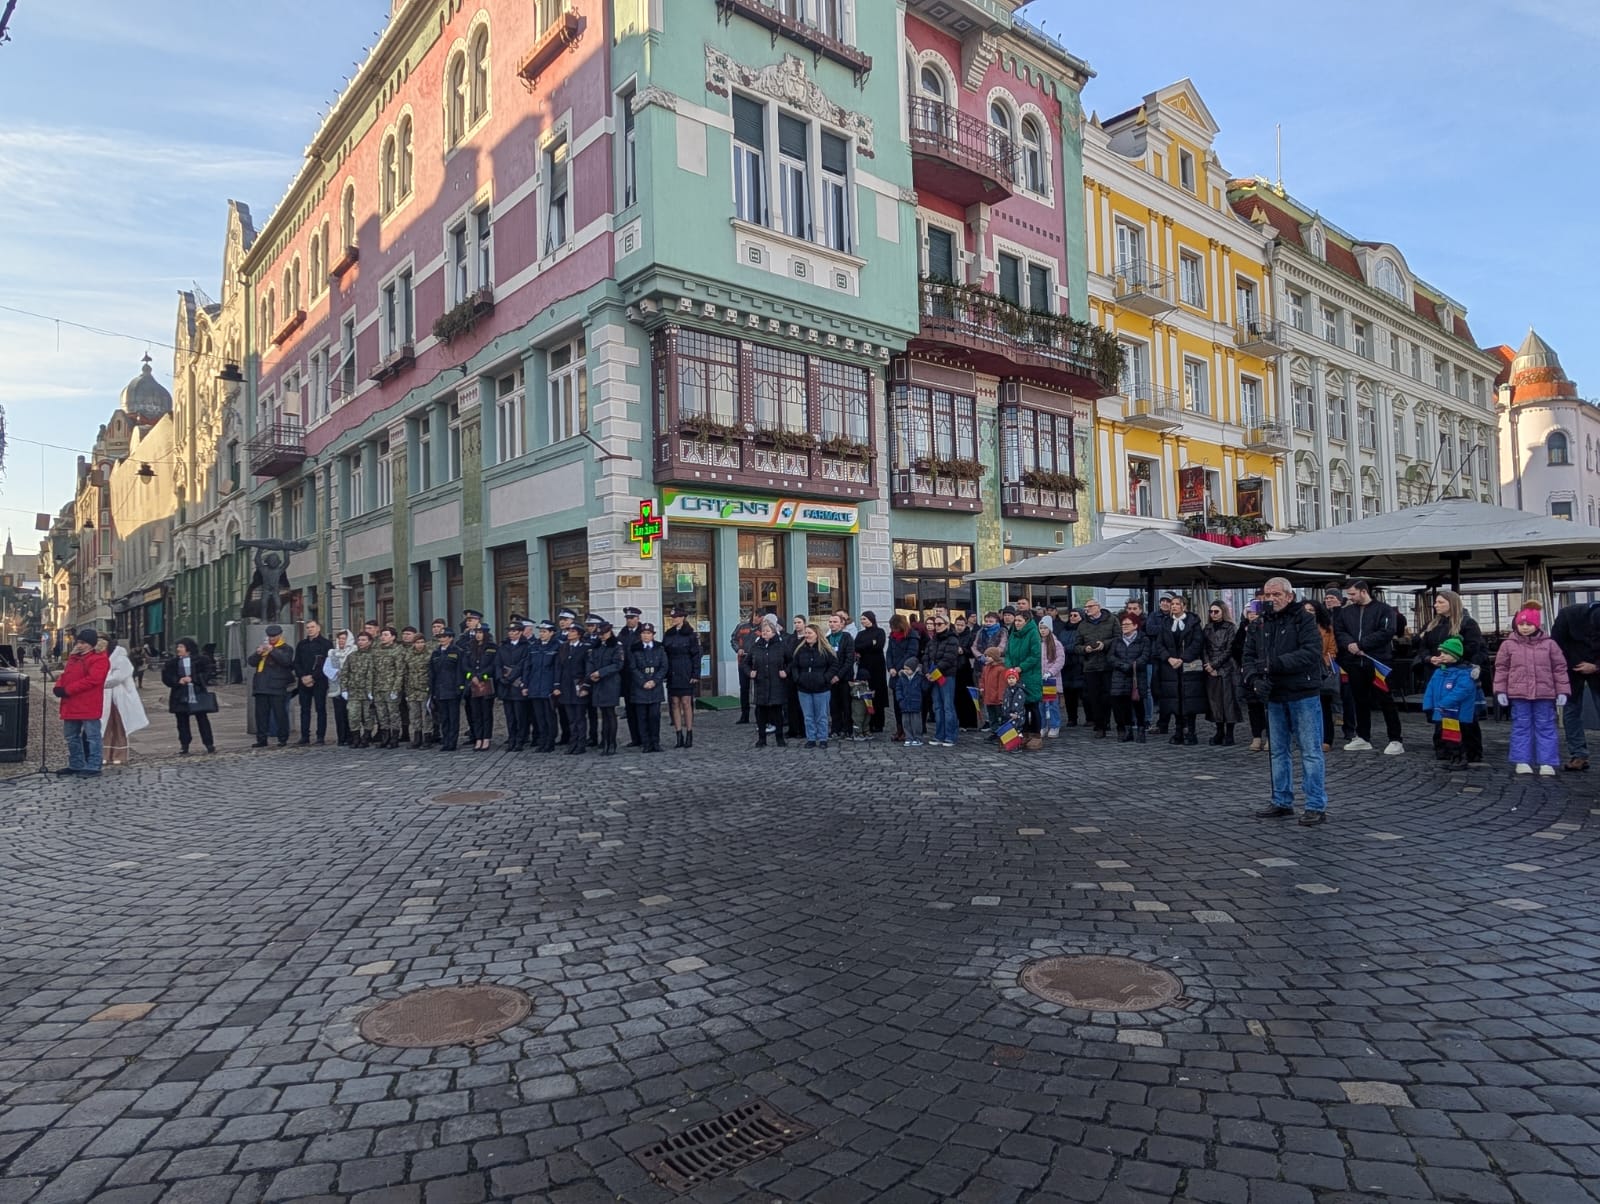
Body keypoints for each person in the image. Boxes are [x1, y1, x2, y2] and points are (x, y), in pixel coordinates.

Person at [1245, 578, 1328, 825]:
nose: (1271, 599)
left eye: (1276, 594)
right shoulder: (1259, 623)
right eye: (1267, 594)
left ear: (1289, 596)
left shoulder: (1303, 619)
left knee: (1311, 751)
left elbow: (1311, 653)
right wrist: (1254, 679)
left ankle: (1315, 805)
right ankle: (1282, 800)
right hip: (1274, 693)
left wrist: (1275, 665)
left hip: (1302, 692)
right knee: (1278, 751)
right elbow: (1248, 655)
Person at [1496, 603, 1570, 777]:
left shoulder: (1550, 645)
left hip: (1544, 694)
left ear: (1537, 625)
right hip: (1519, 693)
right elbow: (1501, 668)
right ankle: (1522, 761)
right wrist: (1500, 690)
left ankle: (1547, 762)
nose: (1524, 628)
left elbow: (1559, 668)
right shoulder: (1508, 645)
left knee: (1546, 726)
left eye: (1528, 624)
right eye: (1521, 624)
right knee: (1521, 726)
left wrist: (1562, 691)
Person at [1334, 579, 1404, 755]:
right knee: (1359, 700)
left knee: (1386, 700)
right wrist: (1349, 644)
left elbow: (1387, 631)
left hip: (1379, 661)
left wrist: (1361, 644)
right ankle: (1363, 737)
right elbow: (1339, 631)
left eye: (1352, 594)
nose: (1350, 598)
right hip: (1355, 662)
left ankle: (1395, 739)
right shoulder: (1346, 612)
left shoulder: (1384, 609)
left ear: (1363, 591)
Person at [1419, 590, 1485, 764]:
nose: (1436, 605)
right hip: (1437, 673)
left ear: (1451, 603)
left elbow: (1475, 648)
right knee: (1442, 711)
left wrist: (1456, 659)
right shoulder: (1432, 625)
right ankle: (1445, 747)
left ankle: (1470, 749)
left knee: (1464, 713)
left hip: (1460, 673)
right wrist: (1429, 658)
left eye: (1440, 602)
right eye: (1436, 602)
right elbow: (1422, 648)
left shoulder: (1467, 624)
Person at [1550, 598, 1600, 771]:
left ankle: (1578, 754)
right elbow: (1555, 647)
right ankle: (1578, 755)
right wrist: (1571, 665)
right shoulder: (1568, 616)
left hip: (1596, 667)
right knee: (1571, 711)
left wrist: (1595, 667)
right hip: (1571, 669)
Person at [1421, 636, 1483, 772]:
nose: (1441, 655)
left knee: (1459, 736)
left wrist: (1444, 703)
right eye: (1441, 652)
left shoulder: (1464, 673)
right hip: (1444, 711)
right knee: (1449, 735)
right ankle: (1454, 757)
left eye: (1445, 653)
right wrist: (1428, 704)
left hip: (1456, 712)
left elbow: (1463, 691)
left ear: (1455, 655)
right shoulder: (1439, 671)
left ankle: (1461, 757)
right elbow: (1430, 689)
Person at [54, 629, 110, 776]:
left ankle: (94, 765)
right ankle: (76, 763)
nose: (79, 645)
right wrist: (59, 686)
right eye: (78, 642)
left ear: (91, 644)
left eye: (83, 643)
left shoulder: (99, 658)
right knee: (71, 736)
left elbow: (93, 680)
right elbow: (66, 675)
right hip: (71, 703)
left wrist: (68, 690)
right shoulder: (74, 658)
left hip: (88, 703)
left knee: (92, 736)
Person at [1154, 596, 1206, 746]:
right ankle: (1177, 731)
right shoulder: (1166, 623)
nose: (1174, 606)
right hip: (1170, 667)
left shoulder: (1193, 622)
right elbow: (1159, 644)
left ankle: (1191, 732)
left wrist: (1182, 659)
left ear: (1184, 606)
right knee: (1174, 700)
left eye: (1177, 604)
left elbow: (1197, 643)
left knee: (1189, 699)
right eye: (1172, 604)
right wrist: (1168, 658)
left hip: (1188, 666)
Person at [97, 635, 148, 766]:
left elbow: (118, 677)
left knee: (120, 726)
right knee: (104, 726)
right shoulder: (98, 657)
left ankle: (120, 754)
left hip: (120, 696)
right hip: (104, 697)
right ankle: (104, 754)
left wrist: (98, 682)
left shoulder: (120, 658)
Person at [162, 637, 217, 755]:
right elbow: (166, 677)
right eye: (178, 647)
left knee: (202, 719)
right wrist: (178, 681)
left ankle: (209, 744)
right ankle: (184, 744)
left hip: (197, 692)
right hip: (180, 694)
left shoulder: (201, 660)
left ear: (188, 648)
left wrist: (195, 679)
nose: (178, 649)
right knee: (182, 722)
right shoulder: (172, 663)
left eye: (181, 647)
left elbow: (208, 672)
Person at [1202, 601, 1245, 747]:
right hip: (1211, 666)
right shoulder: (1207, 628)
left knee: (1228, 701)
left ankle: (1230, 733)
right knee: (1215, 701)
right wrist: (1208, 665)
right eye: (1211, 612)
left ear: (1223, 612)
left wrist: (1214, 664)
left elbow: (1230, 649)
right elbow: (1204, 648)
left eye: (1216, 611)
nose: (1213, 614)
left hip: (1227, 667)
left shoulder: (1230, 627)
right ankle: (1219, 731)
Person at [792, 622, 838, 749]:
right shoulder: (800, 650)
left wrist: (825, 678)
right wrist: (798, 678)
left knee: (821, 715)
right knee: (808, 716)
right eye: (806, 633)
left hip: (821, 687)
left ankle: (823, 738)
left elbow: (834, 665)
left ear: (817, 635)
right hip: (804, 687)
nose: (807, 635)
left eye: (809, 633)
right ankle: (811, 738)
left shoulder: (825, 650)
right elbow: (794, 666)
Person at [1108, 612, 1152, 743]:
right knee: (1123, 705)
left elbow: (1145, 656)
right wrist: (1121, 665)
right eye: (1123, 625)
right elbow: (1110, 657)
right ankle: (1127, 730)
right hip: (1119, 676)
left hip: (1136, 676)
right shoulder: (1117, 640)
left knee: (1138, 704)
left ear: (1135, 625)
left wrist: (1133, 665)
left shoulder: (1143, 639)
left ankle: (1141, 729)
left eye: (1127, 624)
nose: (1124, 627)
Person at [747, 615, 790, 748]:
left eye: (768, 631)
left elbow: (791, 661)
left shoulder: (781, 646)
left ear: (773, 632)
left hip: (776, 683)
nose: (765, 633)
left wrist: (785, 671)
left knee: (776, 712)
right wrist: (750, 672)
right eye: (763, 631)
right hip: (760, 684)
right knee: (761, 714)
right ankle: (761, 738)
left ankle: (779, 737)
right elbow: (746, 663)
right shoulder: (756, 647)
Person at [251, 625, 296, 749]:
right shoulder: (263, 648)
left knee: (280, 714)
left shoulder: (286, 648)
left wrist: (272, 650)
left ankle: (282, 738)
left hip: (277, 687)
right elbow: (251, 662)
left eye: (274, 637)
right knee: (261, 715)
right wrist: (258, 653)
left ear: (280, 636)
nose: (271, 639)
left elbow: (285, 661)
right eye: (270, 637)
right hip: (261, 686)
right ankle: (261, 739)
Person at [1077, 598, 1117, 738]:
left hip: (1108, 664)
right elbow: (1077, 645)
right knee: (1094, 697)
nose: (1087, 609)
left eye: (1090, 606)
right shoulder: (1082, 625)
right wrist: (1085, 649)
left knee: (1107, 695)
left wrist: (1104, 644)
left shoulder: (1112, 620)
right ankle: (1099, 725)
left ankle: (1106, 721)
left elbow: (1118, 638)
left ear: (1098, 607)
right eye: (1085, 607)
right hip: (1091, 666)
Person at [923, 612, 963, 747]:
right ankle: (939, 734)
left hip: (946, 676)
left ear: (946, 625)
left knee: (947, 706)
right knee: (937, 706)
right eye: (935, 624)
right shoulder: (932, 640)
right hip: (933, 676)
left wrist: (936, 671)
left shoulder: (952, 639)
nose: (936, 626)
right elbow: (926, 657)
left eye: (939, 624)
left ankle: (950, 735)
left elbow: (949, 658)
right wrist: (927, 671)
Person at [586, 618, 625, 756]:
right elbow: (590, 661)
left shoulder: (616, 646)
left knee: (610, 714)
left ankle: (612, 743)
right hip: (598, 683)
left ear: (610, 632)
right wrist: (591, 673)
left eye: (603, 633)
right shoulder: (596, 646)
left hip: (610, 682)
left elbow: (617, 665)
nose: (601, 636)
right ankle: (605, 742)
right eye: (599, 634)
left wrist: (600, 673)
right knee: (603, 713)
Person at [662, 607, 700, 749]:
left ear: (683, 618)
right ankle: (679, 734)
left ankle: (689, 732)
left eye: (677, 617)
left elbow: (696, 654)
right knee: (674, 703)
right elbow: (664, 653)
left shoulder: (690, 634)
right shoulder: (669, 634)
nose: (674, 619)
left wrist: (696, 673)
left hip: (686, 668)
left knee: (686, 702)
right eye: (673, 617)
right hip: (672, 670)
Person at [1304, 601, 1340, 751]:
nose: (1309, 612)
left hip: (1321, 671)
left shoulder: (1327, 628)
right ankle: (1309, 738)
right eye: (1306, 610)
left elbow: (1332, 651)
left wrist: (1320, 664)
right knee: (1306, 708)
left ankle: (1326, 739)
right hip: (1302, 671)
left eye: (1312, 610)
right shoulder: (1296, 627)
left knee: (1324, 707)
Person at [629, 622, 668, 753]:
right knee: (642, 717)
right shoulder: (635, 648)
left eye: (648, 633)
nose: (646, 636)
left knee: (654, 716)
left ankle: (655, 742)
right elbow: (632, 668)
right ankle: (646, 743)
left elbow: (664, 666)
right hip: (640, 688)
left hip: (655, 687)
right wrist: (643, 682)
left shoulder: (659, 648)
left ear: (653, 635)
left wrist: (655, 681)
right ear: (640, 635)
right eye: (644, 633)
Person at [1003, 607, 1043, 734]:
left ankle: (1036, 734)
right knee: (1020, 706)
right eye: (1016, 620)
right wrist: (1010, 667)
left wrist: (1021, 667)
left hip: (1029, 674)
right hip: (1014, 674)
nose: (1017, 623)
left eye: (1020, 621)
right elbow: (1008, 653)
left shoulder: (1033, 633)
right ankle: (1023, 733)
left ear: (1026, 621)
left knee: (1032, 705)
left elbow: (1035, 655)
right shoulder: (1013, 633)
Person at [293, 619, 332, 745]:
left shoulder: (326, 644)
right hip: (303, 682)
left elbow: (326, 664)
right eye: (308, 627)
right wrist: (303, 676)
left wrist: (313, 677)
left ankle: (320, 736)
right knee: (304, 709)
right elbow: (296, 662)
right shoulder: (301, 644)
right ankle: (305, 736)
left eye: (312, 627)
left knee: (320, 709)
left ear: (318, 628)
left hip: (319, 681)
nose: (310, 629)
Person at [553, 623, 591, 756]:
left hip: (578, 684)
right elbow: (558, 667)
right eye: (569, 630)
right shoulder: (563, 647)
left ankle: (581, 743)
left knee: (580, 717)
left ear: (579, 634)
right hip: (566, 686)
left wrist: (586, 685)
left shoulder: (585, 648)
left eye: (572, 631)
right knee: (571, 718)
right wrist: (557, 685)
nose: (569, 633)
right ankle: (572, 742)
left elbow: (588, 668)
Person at [886, 614, 923, 745]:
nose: (893, 630)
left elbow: (911, 653)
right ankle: (899, 729)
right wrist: (890, 667)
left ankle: (910, 732)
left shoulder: (912, 636)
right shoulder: (892, 637)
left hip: (905, 671)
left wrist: (898, 667)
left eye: (895, 627)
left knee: (909, 704)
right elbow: (889, 652)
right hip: (895, 673)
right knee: (897, 704)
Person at [525, 620, 560, 754]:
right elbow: (528, 667)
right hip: (535, 686)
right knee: (539, 717)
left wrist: (556, 685)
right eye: (540, 631)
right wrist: (526, 684)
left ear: (551, 633)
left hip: (548, 686)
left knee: (549, 716)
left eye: (545, 632)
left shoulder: (556, 647)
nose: (542, 634)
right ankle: (542, 740)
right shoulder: (534, 647)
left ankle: (550, 741)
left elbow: (557, 668)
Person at [427, 629, 464, 751]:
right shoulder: (436, 653)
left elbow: (460, 671)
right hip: (439, 690)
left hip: (452, 689)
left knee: (453, 718)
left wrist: (460, 687)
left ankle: (452, 742)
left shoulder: (457, 652)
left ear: (450, 638)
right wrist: (432, 690)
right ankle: (445, 740)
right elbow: (432, 673)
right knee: (444, 718)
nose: (441, 639)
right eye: (440, 637)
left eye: (444, 636)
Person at [496, 621, 531, 751]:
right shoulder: (503, 646)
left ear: (520, 632)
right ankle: (511, 739)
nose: (511, 633)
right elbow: (497, 664)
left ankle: (520, 740)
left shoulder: (525, 646)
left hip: (517, 684)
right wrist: (500, 677)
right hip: (505, 686)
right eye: (510, 631)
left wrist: (510, 677)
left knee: (520, 716)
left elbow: (524, 665)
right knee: (509, 716)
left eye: (514, 631)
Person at [462, 626, 497, 751]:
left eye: (480, 633)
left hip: (486, 683)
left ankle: (486, 738)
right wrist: (471, 676)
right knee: (475, 713)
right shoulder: (469, 647)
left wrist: (482, 676)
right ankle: (478, 738)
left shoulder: (492, 648)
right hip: (473, 684)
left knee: (486, 712)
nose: (478, 635)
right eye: (476, 632)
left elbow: (493, 665)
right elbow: (465, 665)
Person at [855, 611, 889, 736]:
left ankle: (878, 723)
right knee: (865, 692)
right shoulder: (861, 634)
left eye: (864, 619)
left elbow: (879, 646)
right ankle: (867, 722)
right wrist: (871, 643)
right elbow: (856, 646)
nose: (862, 621)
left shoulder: (879, 632)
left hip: (877, 667)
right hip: (864, 666)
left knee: (878, 694)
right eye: (861, 619)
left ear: (870, 619)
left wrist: (867, 646)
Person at [400, 628, 435, 748]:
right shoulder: (408, 655)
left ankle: (427, 738)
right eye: (417, 642)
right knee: (414, 715)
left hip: (424, 689)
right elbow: (404, 672)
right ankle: (417, 737)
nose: (419, 645)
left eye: (421, 642)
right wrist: (405, 688)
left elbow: (433, 672)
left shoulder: (430, 654)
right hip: (412, 689)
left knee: (426, 714)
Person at [824, 612, 856, 740]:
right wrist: (830, 676)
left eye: (835, 622)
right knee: (834, 705)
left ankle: (847, 729)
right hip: (831, 678)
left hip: (844, 677)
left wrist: (839, 675)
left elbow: (849, 659)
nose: (832, 624)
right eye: (830, 622)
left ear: (842, 624)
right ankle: (835, 728)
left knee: (846, 704)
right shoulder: (827, 639)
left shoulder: (847, 638)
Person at [343, 631, 377, 748]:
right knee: (353, 715)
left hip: (368, 692)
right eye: (359, 640)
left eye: (364, 640)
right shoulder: (352, 656)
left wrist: (371, 690)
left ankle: (366, 737)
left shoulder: (374, 655)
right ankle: (356, 738)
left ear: (370, 642)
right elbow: (345, 673)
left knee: (367, 716)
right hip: (354, 691)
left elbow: (375, 674)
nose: (361, 642)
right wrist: (344, 689)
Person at [618, 607, 644, 747]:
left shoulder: (643, 632)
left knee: (641, 709)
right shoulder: (622, 634)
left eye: (632, 618)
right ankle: (635, 738)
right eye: (627, 618)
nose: (629, 620)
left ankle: (644, 737)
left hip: (639, 676)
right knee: (630, 710)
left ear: (637, 618)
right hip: (626, 676)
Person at [327, 630, 356, 746]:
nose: (341, 641)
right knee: (339, 714)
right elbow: (327, 668)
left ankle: (351, 737)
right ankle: (341, 737)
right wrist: (335, 672)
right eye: (339, 639)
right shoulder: (332, 653)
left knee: (351, 713)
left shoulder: (354, 652)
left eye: (344, 638)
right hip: (336, 686)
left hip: (350, 687)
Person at [952, 613, 979, 730]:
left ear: (965, 625)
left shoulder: (970, 636)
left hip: (966, 668)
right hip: (955, 668)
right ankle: (960, 721)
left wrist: (963, 650)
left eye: (961, 625)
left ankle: (970, 722)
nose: (959, 627)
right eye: (957, 625)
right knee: (957, 697)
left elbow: (972, 652)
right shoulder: (952, 636)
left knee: (967, 696)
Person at [731, 610, 757, 725]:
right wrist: (738, 649)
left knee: (758, 689)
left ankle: (760, 715)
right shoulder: (742, 627)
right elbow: (733, 640)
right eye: (757, 616)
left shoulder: (763, 628)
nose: (758, 619)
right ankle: (744, 715)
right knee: (744, 689)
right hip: (743, 661)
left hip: (757, 662)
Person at [1058, 610, 1084, 728]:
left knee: (1084, 693)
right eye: (1071, 615)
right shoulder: (1064, 630)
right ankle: (1071, 718)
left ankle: (1090, 718)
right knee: (1069, 694)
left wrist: (1066, 648)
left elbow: (1079, 643)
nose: (1072, 617)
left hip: (1079, 663)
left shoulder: (1083, 628)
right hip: (1066, 664)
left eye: (1075, 615)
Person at [1039, 624, 1065, 738]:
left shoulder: (1056, 643)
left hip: (1051, 679)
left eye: (1045, 628)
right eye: (1041, 628)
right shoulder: (1038, 644)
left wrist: (1050, 672)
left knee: (1052, 704)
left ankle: (1054, 725)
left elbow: (1060, 660)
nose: (1043, 631)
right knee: (1041, 704)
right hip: (1040, 679)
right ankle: (1043, 725)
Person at [978, 646, 1008, 737]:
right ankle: (994, 732)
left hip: (997, 699)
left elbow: (1002, 686)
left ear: (994, 657)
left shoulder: (1001, 669)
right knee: (992, 717)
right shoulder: (986, 668)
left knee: (1000, 717)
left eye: (989, 656)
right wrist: (982, 687)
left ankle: (1001, 734)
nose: (986, 657)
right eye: (986, 655)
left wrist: (1001, 698)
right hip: (988, 698)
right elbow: (982, 679)